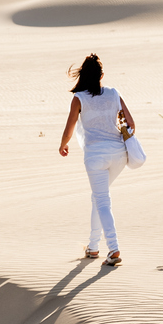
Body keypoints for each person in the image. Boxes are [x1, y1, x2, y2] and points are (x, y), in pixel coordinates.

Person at [59, 54, 135, 266]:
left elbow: (69, 129)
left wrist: (63, 145)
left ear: (83, 76)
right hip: (119, 154)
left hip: (95, 156)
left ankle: (114, 249)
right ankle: (93, 247)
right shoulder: (113, 93)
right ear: (102, 75)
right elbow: (131, 124)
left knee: (102, 200)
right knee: (98, 197)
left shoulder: (79, 98)